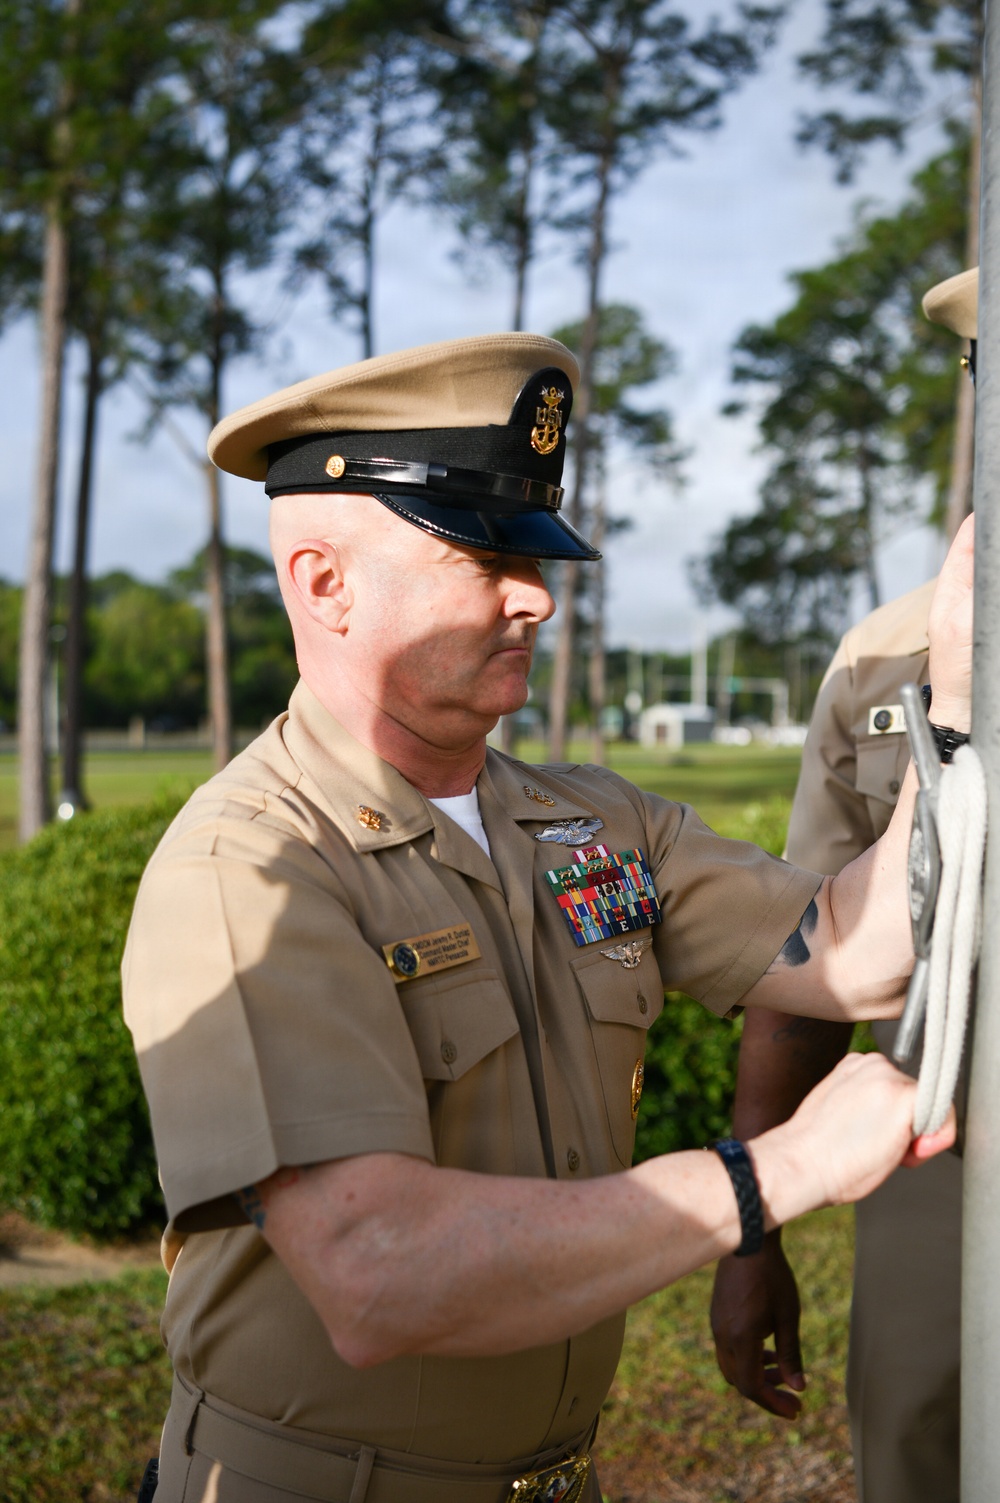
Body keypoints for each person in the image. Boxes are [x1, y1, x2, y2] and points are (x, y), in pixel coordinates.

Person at [122, 330, 971, 1503]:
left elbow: (856, 956)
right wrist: (770, 1174)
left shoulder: (586, 820)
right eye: (479, 550)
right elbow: (378, 1273)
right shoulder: (252, 865)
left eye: (537, 551)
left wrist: (960, 712)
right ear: (325, 581)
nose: (536, 596)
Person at [710, 266, 977, 1503]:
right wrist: (753, 1228)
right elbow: (804, 951)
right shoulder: (888, 651)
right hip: (945, 1167)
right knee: (921, 1457)